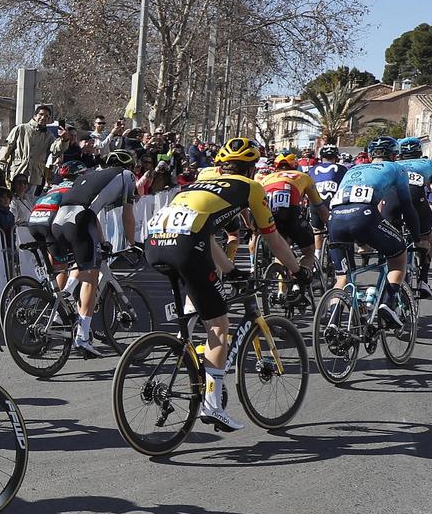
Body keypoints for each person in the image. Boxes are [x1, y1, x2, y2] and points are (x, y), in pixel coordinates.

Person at [142, 138, 300, 433]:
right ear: (251, 169)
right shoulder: (251, 187)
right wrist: (297, 271)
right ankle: (212, 405)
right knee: (218, 324)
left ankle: (185, 350)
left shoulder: (200, 180)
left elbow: (203, 233)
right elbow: (273, 239)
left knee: (196, 300)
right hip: (186, 245)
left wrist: (230, 269)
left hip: (154, 243)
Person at [50, 149, 141, 357]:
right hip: (80, 221)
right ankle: (82, 337)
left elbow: (93, 212)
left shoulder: (90, 175)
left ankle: (60, 305)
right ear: (128, 166)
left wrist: (101, 241)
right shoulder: (126, 176)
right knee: (91, 277)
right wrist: (133, 243)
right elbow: (128, 214)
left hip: (59, 222)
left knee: (80, 265)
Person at [324, 137, 414, 309]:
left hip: (335, 218)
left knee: (343, 277)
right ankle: (387, 305)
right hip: (364, 215)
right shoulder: (396, 167)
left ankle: (333, 320)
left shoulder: (353, 169)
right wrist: (417, 236)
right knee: (398, 256)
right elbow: (407, 206)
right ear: (395, 155)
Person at [392, 138, 432, 298]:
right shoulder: (430, 165)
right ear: (420, 152)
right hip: (418, 203)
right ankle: (423, 279)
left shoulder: (392, 165)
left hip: (393, 203)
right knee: (426, 239)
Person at [259, 154, 324, 281]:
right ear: (295, 167)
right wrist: (329, 224)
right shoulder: (303, 176)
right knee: (309, 251)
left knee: (281, 248)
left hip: (268, 212)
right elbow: (319, 206)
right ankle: (299, 281)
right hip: (291, 212)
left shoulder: (266, 178)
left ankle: (280, 292)